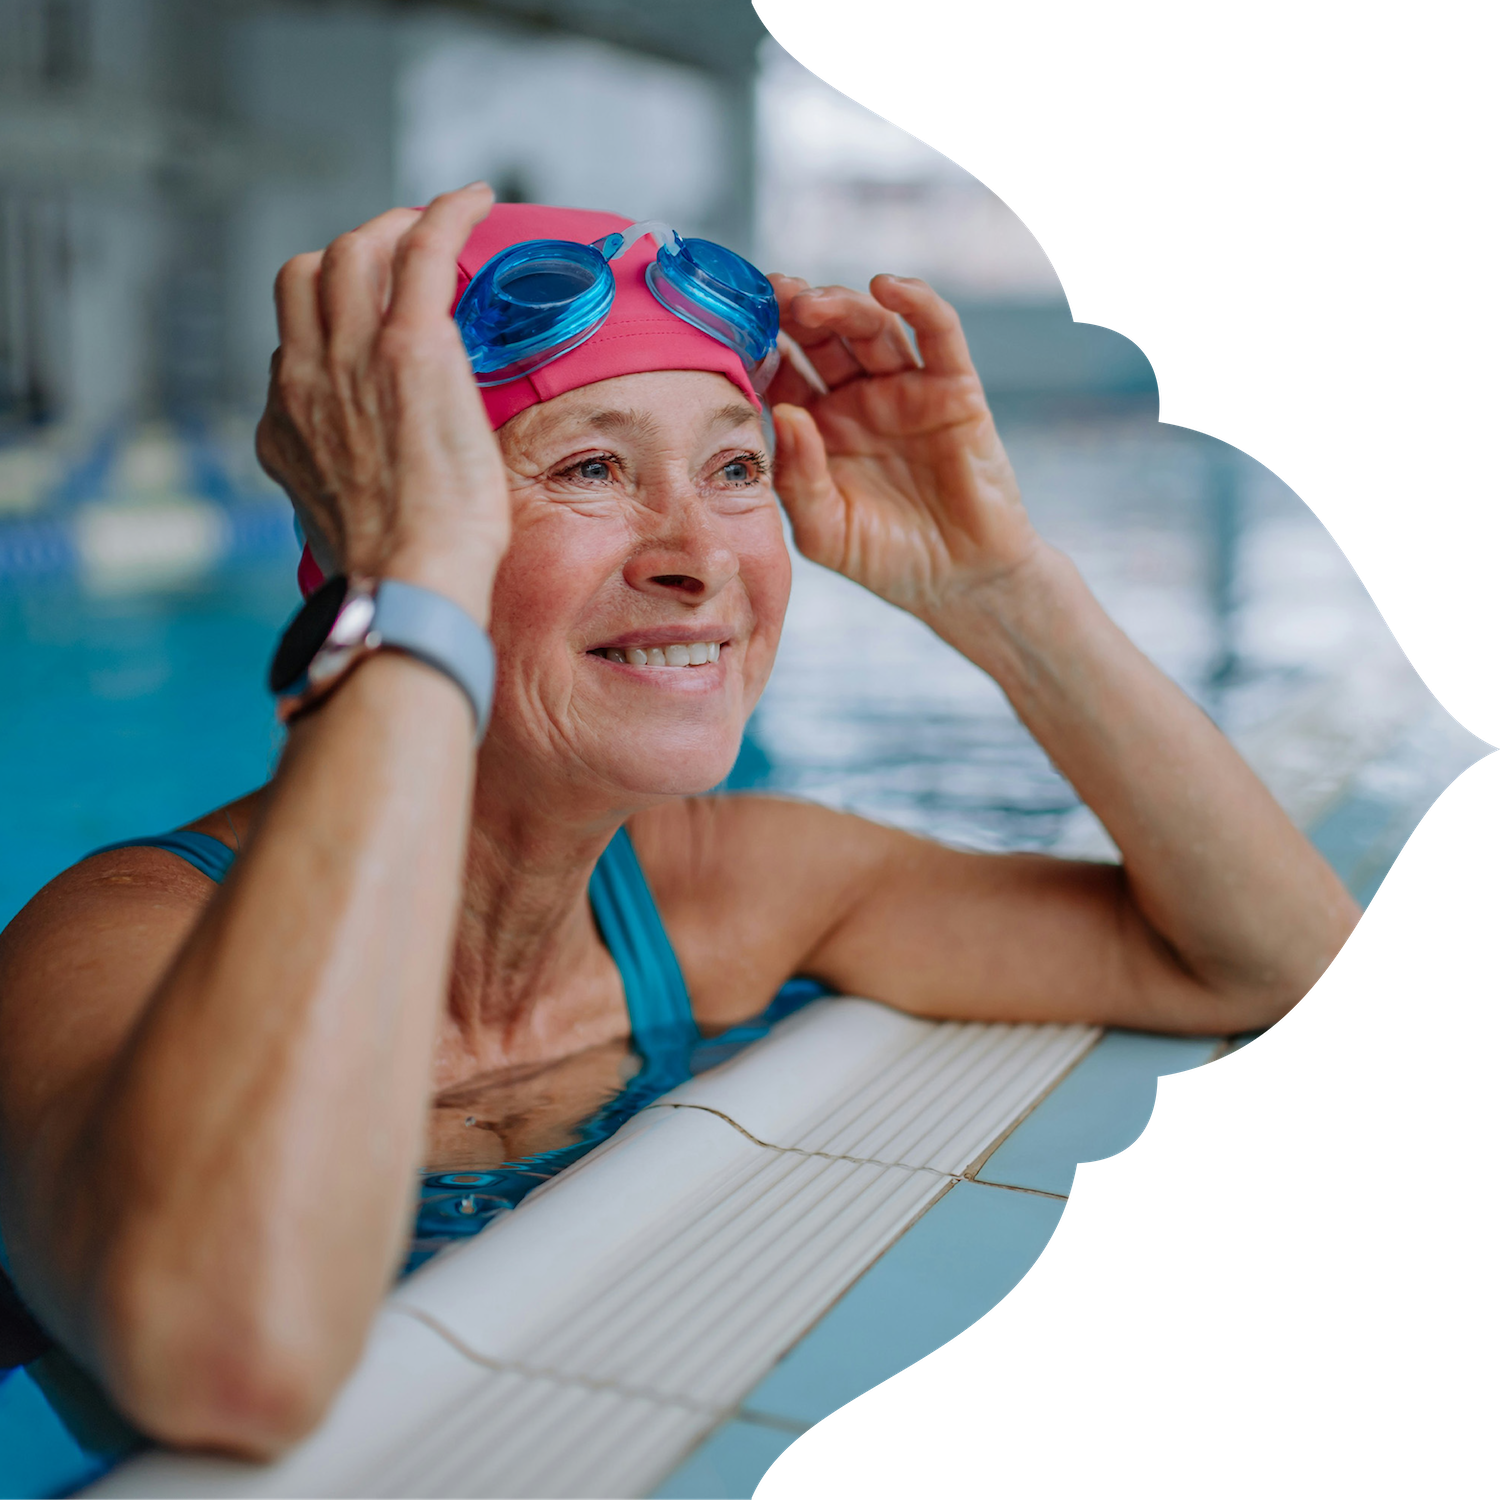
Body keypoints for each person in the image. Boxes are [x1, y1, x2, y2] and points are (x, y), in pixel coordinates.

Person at [0, 185, 1360, 1460]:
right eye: (589, 468)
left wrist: (995, 584)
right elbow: (229, 1358)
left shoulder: (727, 890)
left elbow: (1272, 959)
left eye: (734, 469)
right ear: (385, 537)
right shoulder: (122, 946)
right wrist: (407, 592)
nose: (696, 555)